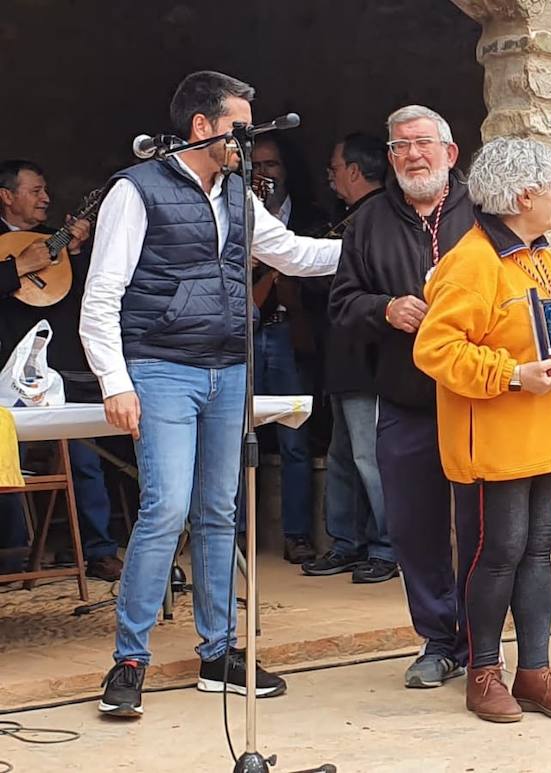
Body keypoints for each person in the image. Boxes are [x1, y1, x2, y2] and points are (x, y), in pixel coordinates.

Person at [79, 70, 340, 717]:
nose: (247, 139)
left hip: (229, 370)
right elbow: (101, 299)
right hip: (161, 368)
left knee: (221, 511)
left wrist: (369, 246)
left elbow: (293, 254)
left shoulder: (236, 195)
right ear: (202, 126)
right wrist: (116, 381)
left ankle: (219, 653)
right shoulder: (134, 193)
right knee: (166, 507)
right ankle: (130, 659)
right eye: (240, 126)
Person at [413, 137, 551, 723]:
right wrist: (509, 375)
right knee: (499, 553)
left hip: (548, 434)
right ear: (524, 193)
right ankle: (483, 672)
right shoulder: (471, 261)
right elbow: (436, 349)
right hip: (496, 441)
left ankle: (535, 671)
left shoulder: (545, 258)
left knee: (536, 553)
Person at [329, 105, 476, 687]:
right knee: (415, 529)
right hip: (406, 401)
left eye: (423, 144)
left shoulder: (484, 212)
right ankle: (439, 642)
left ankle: (483, 642)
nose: (413, 155)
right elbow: (342, 303)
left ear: (450, 152)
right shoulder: (366, 223)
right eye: (400, 147)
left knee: (484, 527)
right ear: (389, 159)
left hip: (478, 401)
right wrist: (384, 308)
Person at [0, 159, 123, 582]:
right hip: (5, 373)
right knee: (4, 459)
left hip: (62, 368)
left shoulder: (53, 241)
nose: (46, 198)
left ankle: (99, 550)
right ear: (7, 196)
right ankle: (11, 554)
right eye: (35, 190)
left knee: (84, 456)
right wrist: (16, 268)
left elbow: (85, 294)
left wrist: (76, 252)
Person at [303, 132, 396, 583]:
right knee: (343, 455)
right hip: (341, 357)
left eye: (336, 168)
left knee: (369, 457)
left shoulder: (381, 219)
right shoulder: (350, 218)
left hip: (369, 356)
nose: (331, 177)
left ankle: (386, 546)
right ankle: (346, 541)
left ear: (356, 172)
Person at [243, 134, 330, 564]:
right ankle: (237, 536)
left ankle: (296, 535)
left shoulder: (313, 219)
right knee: (238, 435)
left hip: (288, 333)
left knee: (294, 438)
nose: (264, 175)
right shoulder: (235, 215)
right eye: (255, 166)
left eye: (271, 165)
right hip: (242, 335)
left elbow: (324, 282)